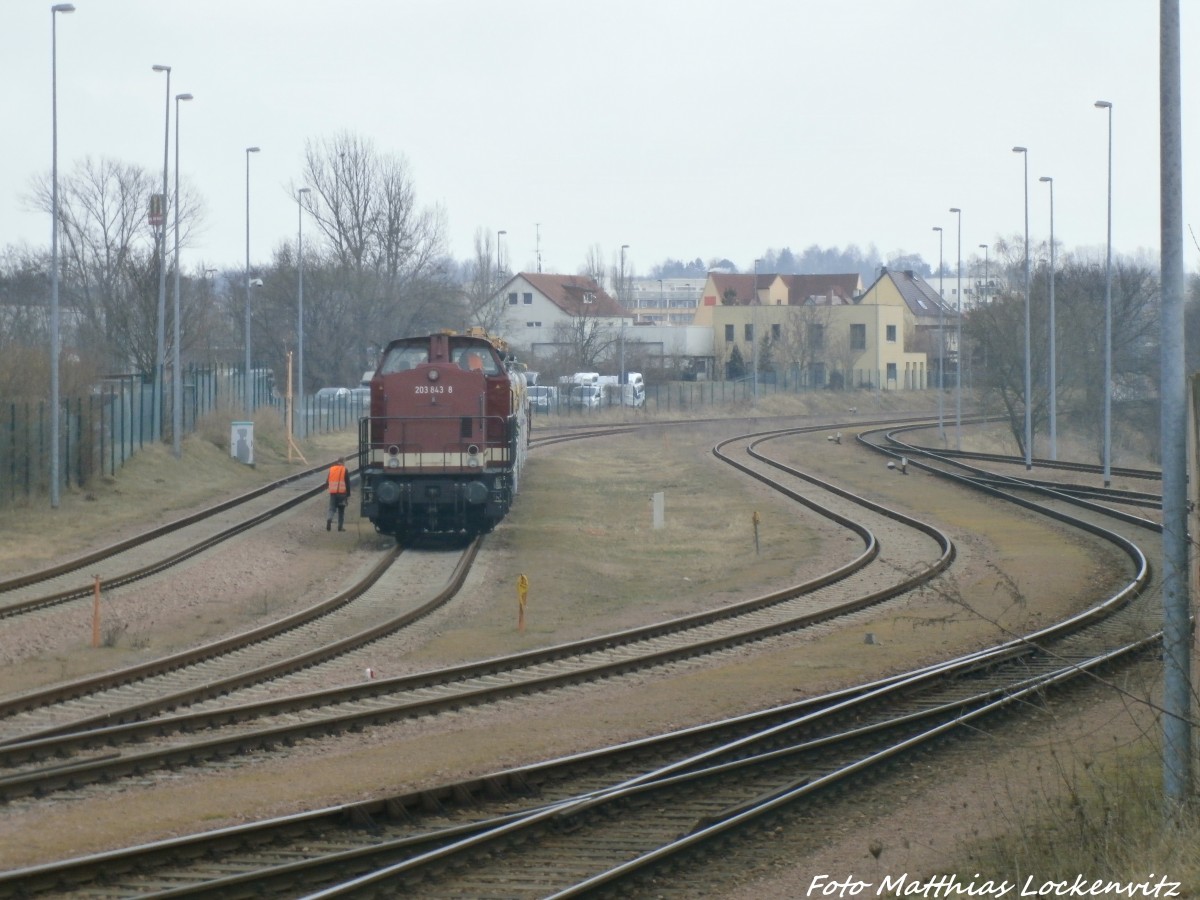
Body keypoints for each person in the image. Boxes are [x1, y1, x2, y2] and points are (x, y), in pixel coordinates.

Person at [326, 457, 350, 531]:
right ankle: (340, 527)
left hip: (333, 493)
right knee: (341, 510)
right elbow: (347, 483)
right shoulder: (344, 470)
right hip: (342, 494)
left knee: (332, 508)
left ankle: (329, 518)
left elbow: (327, 482)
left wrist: (330, 489)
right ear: (343, 462)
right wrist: (348, 494)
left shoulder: (331, 469)